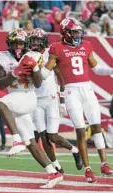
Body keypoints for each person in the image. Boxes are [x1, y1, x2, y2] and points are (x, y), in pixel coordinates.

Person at [22, 17, 113, 183]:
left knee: (96, 126)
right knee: (80, 129)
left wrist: (111, 69)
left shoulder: (86, 45)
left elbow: (97, 68)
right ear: (66, 33)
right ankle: (87, 169)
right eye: (74, 32)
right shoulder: (56, 47)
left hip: (87, 88)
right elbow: (46, 72)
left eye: (79, 31)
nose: (78, 34)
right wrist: (35, 70)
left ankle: (104, 163)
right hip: (71, 91)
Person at [0, 28, 63, 188]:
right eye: (15, 43)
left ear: (26, 44)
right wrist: (14, 73)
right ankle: (53, 172)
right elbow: (0, 83)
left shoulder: (35, 55)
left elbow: (38, 83)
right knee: (31, 142)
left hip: (27, 95)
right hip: (15, 98)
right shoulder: (2, 56)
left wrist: (35, 69)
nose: (18, 46)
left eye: (21, 43)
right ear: (9, 44)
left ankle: (15, 139)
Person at [30, 28, 83, 173]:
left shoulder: (50, 53)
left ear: (43, 41)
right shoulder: (27, 55)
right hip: (36, 100)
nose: (34, 43)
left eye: (37, 40)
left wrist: (62, 101)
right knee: (42, 136)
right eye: (32, 40)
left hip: (52, 98)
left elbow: (61, 77)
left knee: (52, 136)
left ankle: (75, 150)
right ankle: (57, 166)